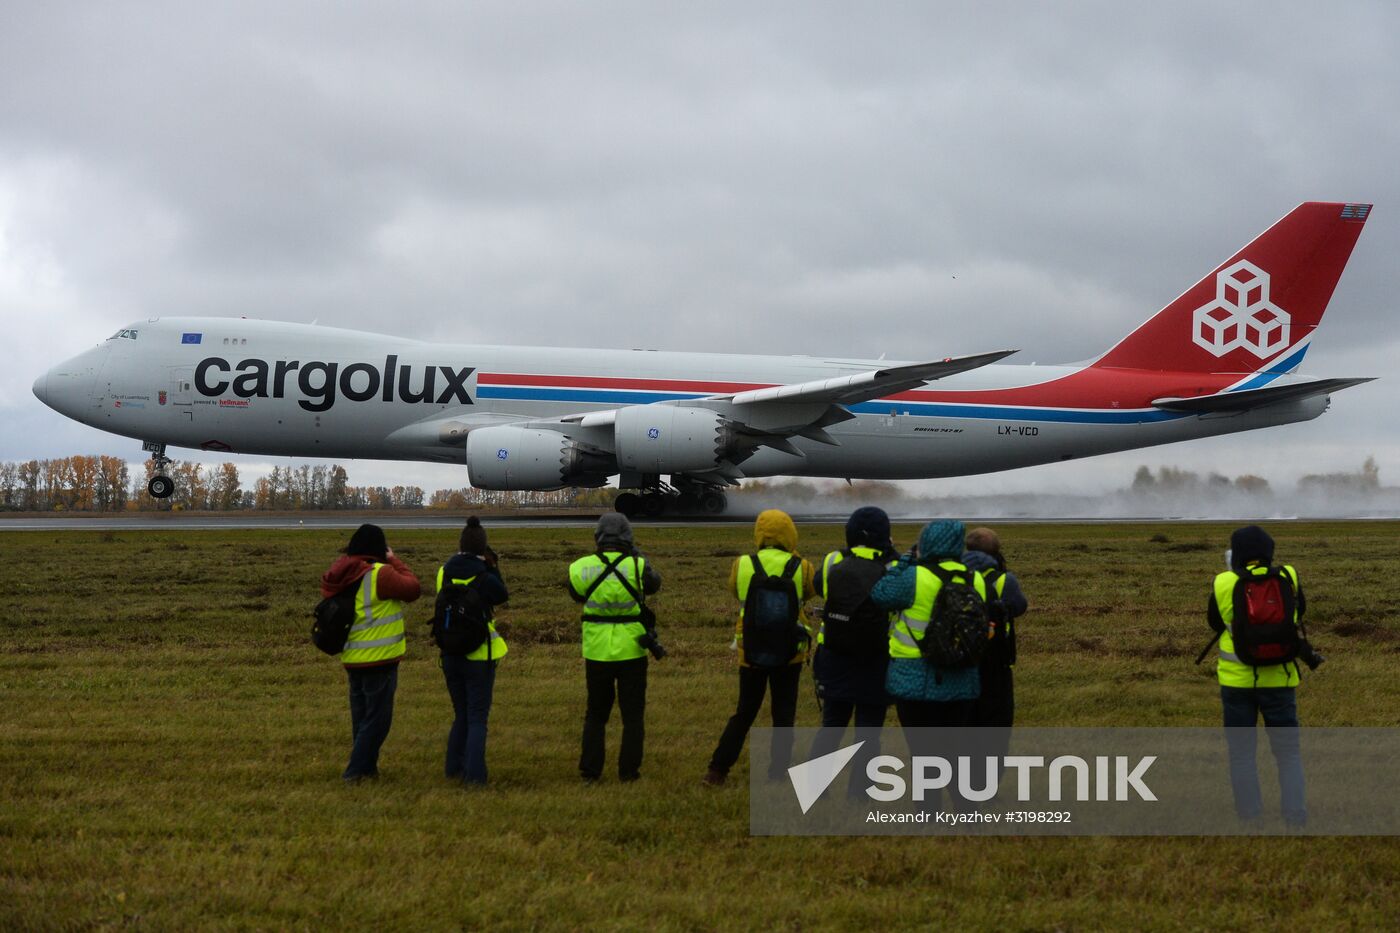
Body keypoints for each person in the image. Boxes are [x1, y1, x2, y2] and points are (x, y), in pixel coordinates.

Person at [1207, 524, 1315, 826]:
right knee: (1289, 754)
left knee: (1242, 753)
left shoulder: (1223, 582)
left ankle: (1250, 816)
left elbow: (1215, 623)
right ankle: (1295, 815)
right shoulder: (1288, 576)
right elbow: (1300, 612)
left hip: (1236, 682)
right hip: (1280, 679)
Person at [703, 509, 816, 786]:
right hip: (791, 650)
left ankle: (717, 771)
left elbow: (735, 592)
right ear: (790, 532)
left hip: (751, 649)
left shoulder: (743, 564)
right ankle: (778, 772)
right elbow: (811, 592)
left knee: (744, 712)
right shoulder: (802, 566)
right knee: (783, 713)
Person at [319, 523, 421, 783]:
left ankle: (368, 769)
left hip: (353, 657)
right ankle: (354, 772)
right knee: (378, 721)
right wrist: (394, 559)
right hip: (380, 658)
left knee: (362, 719)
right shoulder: (380, 574)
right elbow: (413, 589)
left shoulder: (342, 573)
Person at [806, 506, 897, 795]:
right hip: (878, 655)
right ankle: (860, 792)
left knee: (831, 724)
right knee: (869, 730)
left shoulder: (834, 559)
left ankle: (813, 787)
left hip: (835, 653)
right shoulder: (894, 567)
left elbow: (819, 586)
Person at [567, 512, 662, 783]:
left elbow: (575, 594)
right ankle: (629, 772)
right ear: (628, 539)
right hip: (632, 649)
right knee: (633, 715)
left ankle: (590, 772)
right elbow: (655, 585)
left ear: (597, 537)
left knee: (595, 714)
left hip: (596, 650)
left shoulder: (581, 566)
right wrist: (636, 554)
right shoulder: (637, 565)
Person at [871, 519, 987, 728]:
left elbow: (880, 594)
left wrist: (905, 560)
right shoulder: (975, 578)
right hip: (961, 677)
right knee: (952, 750)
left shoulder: (914, 576)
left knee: (923, 751)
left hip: (915, 677)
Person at [435, 516, 509, 787]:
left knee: (461, 714)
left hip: (450, 652)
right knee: (478, 717)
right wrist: (493, 567)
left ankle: (453, 767)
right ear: (483, 548)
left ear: (460, 545)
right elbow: (502, 596)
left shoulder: (444, 571)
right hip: (479, 655)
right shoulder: (484, 575)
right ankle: (475, 776)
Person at [962, 527, 1029, 752]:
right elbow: (1020, 606)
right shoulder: (1004, 580)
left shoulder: (955, 575)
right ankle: (986, 780)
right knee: (995, 725)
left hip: (961, 658)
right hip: (996, 661)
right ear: (997, 551)